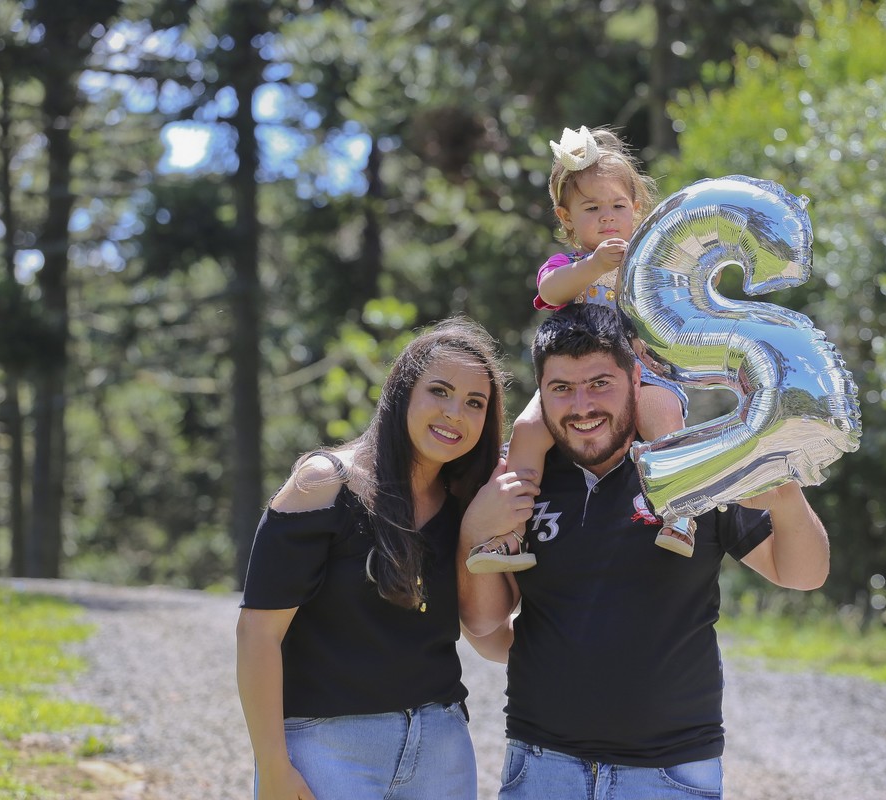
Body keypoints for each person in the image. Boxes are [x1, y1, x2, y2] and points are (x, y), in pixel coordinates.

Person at [457, 303, 831, 800]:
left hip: (669, 773)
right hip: (543, 766)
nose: (582, 406)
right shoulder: (520, 482)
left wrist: (784, 496)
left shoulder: (696, 468)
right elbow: (487, 626)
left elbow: (803, 573)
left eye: (600, 384)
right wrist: (474, 530)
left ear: (637, 379)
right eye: (561, 388)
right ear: (539, 394)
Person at [237, 317, 508, 800]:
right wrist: (273, 766)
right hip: (327, 748)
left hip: (441, 749)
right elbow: (257, 633)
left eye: (475, 403)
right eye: (440, 391)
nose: (455, 414)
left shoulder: (467, 505)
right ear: (403, 392)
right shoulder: (324, 484)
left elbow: (487, 631)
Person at [465, 125, 693, 575]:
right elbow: (550, 291)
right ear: (566, 217)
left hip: (646, 373)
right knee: (528, 429)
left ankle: (680, 512)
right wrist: (594, 265)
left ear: (637, 209)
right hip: (574, 383)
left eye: (618, 206)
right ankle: (512, 531)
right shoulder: (567, 266)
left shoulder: (652, 264)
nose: (607, 217)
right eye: (591, 208)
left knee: (664, 415)